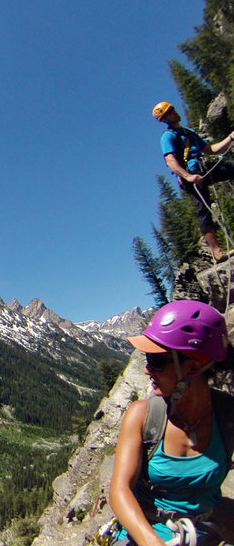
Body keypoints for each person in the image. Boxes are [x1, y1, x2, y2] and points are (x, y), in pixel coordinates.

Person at [107, 299, 234, 546]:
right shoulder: (142, 415)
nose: (146, 370)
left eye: (155, 361)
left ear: (193, 367)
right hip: (146, 535)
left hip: (205, 535)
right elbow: (119, 489)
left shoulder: (228, 414)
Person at [153, 101, 234, 263]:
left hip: (204, 167)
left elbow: (211, 150)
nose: (174, 112)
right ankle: (217, 252)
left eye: (172, 109)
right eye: (169, 112)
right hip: (191, 174)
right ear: (165, 119)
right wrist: (187, 176)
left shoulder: (188, 132)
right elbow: (170, 161)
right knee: (203, 210)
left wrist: (231, 137)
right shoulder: (168, 136)